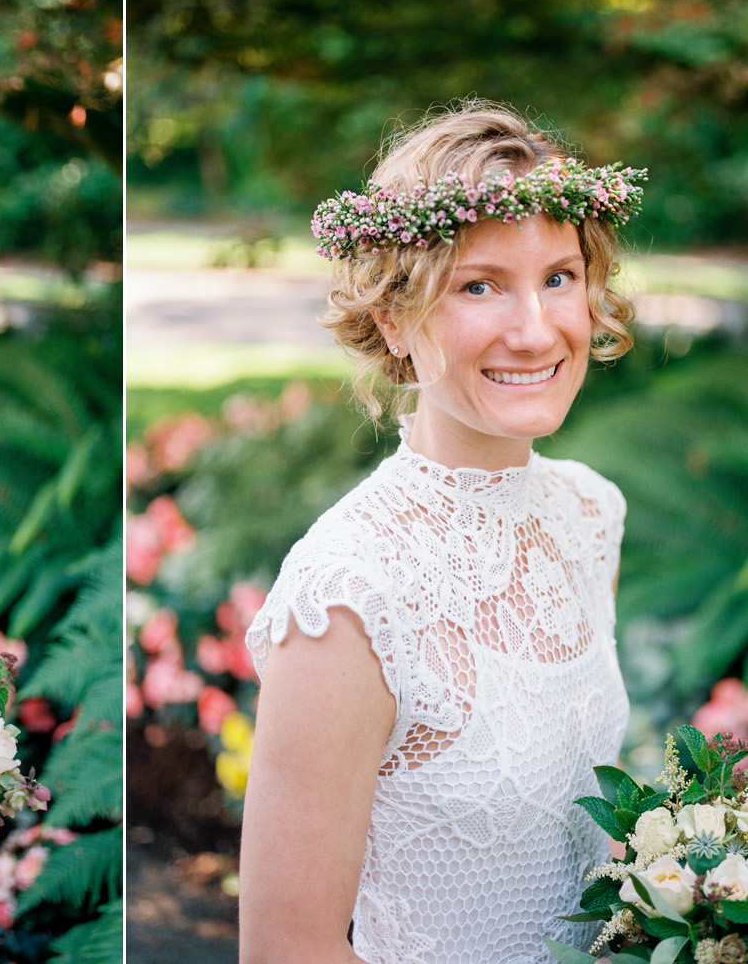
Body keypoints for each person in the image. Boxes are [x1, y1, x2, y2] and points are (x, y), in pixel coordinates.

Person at [237, 101, 647, 964]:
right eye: (477, 285)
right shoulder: (348, 594)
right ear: (393, 318)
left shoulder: (588, 513)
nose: (536, 330)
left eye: (559, 277)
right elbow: (287, 950)